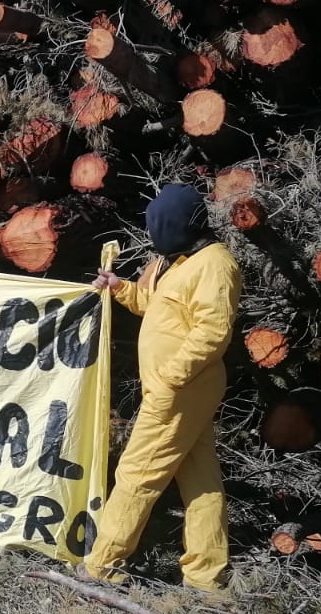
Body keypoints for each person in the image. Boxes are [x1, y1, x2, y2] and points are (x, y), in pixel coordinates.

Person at [84, 183, 241, 591]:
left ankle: (103, 567)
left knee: (137, 472)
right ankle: (207, 576)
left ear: (180, 223)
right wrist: (121, 289)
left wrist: (171, 376)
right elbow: (153, 306)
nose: (156, 233)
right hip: (181, 390)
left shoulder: (214, 264)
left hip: (180, 390)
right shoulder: (175, 262)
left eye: (161, 224)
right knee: (200, 479)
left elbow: (213, 331)